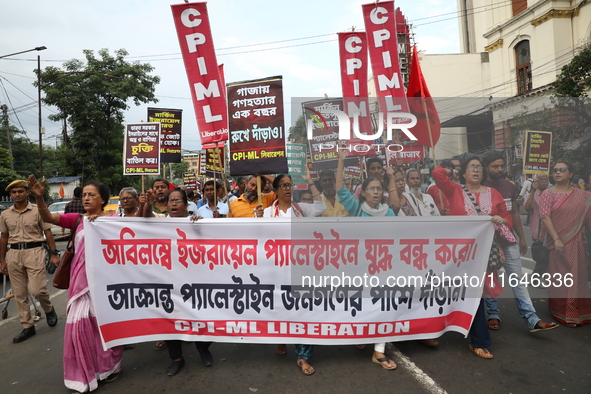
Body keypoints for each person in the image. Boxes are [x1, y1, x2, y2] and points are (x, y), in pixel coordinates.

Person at [28, 175, 123, 393]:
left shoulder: (114, 221)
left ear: (103, 200)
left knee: (104, 326)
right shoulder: (78, 220)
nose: (86, 198)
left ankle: (109, 367)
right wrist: (39, 198)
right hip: (81, 285)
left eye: (92, 195)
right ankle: (85, 372)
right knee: (80, 327)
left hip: (106, 284)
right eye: (85, 195)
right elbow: (49, 218)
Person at [433, 155, 514, 359]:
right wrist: (452, 169)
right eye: (471, 167)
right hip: (461, 254)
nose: (476, 170)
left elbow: (508, 218)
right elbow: (437, 173)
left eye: (479, 167)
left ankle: (471, 334)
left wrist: (500, 220)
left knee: (475, 293)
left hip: (485, 253)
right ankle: (478, 339)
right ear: (464, 172)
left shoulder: (493, 193)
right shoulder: (455, 190)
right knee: (470, 293)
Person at [482, 151, 557, 333]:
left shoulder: (508, 186)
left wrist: (521, 238)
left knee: (518, 280)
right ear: (486, 167)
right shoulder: (479, 187)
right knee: (491, 280)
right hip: (486, 243)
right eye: (495, 166)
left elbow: (514, 211)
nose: (500, 169)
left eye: (502, 166)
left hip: (508, 241)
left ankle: (531, 318)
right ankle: (493, 314)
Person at [336, 150, 397, 370]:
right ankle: (362, 333)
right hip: (359, 268)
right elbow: (340, 190)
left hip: (383, 267)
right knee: (362, 305)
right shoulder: (356, 209)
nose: (376, 192)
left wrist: (390, 178)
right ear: (363, 193)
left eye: (379, 189)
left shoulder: (388, 212)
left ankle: (378, 351)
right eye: (372, 188)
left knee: (384, 306)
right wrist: (341, 161)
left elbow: (396, 215)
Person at [261, 172, 325, 375]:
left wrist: (310, 183)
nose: (288, 188)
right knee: (279, 307)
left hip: (301, 268)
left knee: (303, 310)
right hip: (277, 269)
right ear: (276, 189)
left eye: (290, 185)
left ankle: (303, 356)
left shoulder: (301, 209)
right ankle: (280, 338)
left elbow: (321, 207)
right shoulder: (267, 213)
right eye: (284, 185)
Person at [143, 188, 212, 375]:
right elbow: (145, 219)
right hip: (169, 283)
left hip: (194, 283)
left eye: (178, 201)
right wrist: (148, 203)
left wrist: (200, 225)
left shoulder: (195, 223)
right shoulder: (160, 223)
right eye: (171, 201)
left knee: (199, 317)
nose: (174, 204)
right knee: (171, 320)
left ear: (186, 205)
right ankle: (176, 358)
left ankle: (203, 349)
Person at [0, 179, 60, 343]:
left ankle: (48, 309)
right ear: (10, 195)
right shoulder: (5, 214)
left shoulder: (38, 210)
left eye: (20, 191)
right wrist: (2, 260)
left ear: (27, 192)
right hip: (13, 254)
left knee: (38, 290)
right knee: (19, 294)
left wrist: (54, 253)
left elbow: (47, 232)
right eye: (14, 192)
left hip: (34, 251)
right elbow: (4, 237)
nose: (17, 195)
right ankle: (28, 327)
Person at [540, 161, 591, 326]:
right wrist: (556, 239)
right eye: (555, 170)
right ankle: (561, 309)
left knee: (577, 276)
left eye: (562, 170)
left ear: (570, 174)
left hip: (577, 243)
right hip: (557, 244)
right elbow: (545, 217)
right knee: (561, 278)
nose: (557, 173)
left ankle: (575, 310)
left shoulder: (583, 195)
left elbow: (587, 219)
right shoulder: (548, 194)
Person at [524, 174, 550, 243]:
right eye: (541, 180)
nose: (544, 182)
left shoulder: (552, 194)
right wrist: (533, 191)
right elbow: (527, 208)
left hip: (550, 232)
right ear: (535, 182)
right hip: (538, 231)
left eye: (546, 180)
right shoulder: (531, 195)